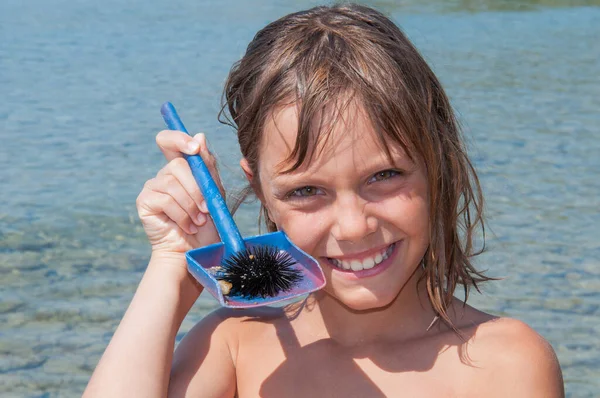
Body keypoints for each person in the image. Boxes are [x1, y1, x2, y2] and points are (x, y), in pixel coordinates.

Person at [83, 4, 564, 397]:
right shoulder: (235, 348)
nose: (354, 227)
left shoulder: (504, 363)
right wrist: (171, 266)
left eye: (384, 175)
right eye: (307, 191)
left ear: (438, 164)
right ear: (260, 188)